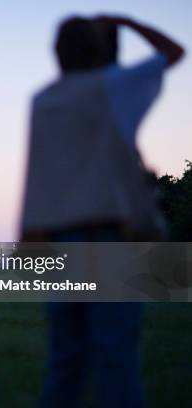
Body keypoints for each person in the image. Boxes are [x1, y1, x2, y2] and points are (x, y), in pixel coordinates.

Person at [20, 15, 185, 408]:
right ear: (97, 51)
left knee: (65, 361)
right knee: (117, 360)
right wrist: (124, 22)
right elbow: (173, 52)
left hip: (61, 243)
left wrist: (28, 238)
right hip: (112, 240)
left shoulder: (44, 101)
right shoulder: (113, 86)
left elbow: (36, 174)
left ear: (56, 54)